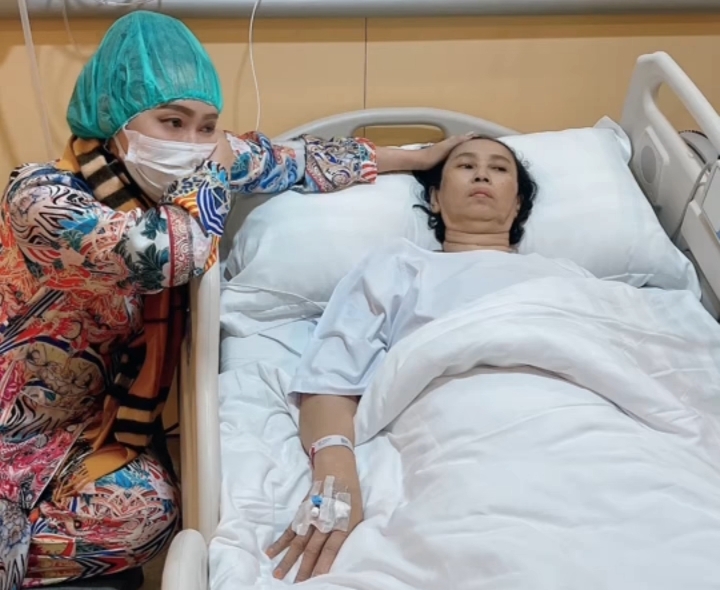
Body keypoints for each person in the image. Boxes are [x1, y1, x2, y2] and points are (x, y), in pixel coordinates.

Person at [0, 10, 467, 590]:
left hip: (83, 431)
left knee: (151, 513)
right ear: (113, 117)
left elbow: (299, 161)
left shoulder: (196, 173)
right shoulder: (42, 196)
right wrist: (216, 172)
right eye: (172, 122)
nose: (193, 144)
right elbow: (167, 252)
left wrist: (417, 158)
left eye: (207, 127)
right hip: (12, 427)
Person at [267, 135, 596, 581]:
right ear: (436, 199)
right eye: (465, 165)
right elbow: (330, 375)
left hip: (581, 425)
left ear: (518, 204)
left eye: (499, 168)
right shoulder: (399, 266)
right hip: (462, 428)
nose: (482, 174)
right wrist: (335, 471)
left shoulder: (568, 277)